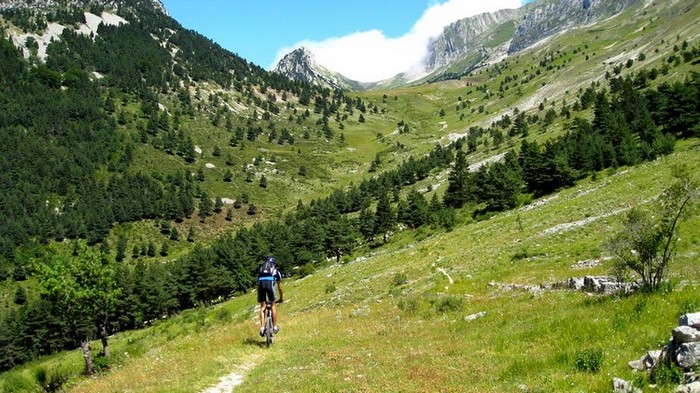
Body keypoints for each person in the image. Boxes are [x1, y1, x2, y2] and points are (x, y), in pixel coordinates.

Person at [257, 256, 284, 336]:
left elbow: (258, 283)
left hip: (261, 284)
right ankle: (274, 326)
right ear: (274, 264)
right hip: (269, 284)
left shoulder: (261, 270)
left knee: (262, 306)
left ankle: (262, 328)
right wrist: (281, 297)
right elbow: (280, 287)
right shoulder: (276, 271)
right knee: (273, 305)